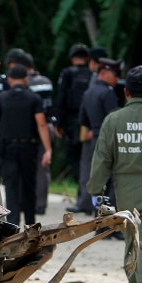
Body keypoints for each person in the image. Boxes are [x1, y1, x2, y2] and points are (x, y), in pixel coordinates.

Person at [86, 65, 142, 283]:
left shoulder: (114, 120)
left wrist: (95, 191)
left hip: (129, 189)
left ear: (126, 92)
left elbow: (102, 161)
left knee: (135, 242)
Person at [0, 64, 52, 226]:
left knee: (11, 187)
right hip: (28, 148)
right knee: (29, 186)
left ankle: (13, 224)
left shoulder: (1, 98)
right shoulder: (33, 98)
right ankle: (30, 224)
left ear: (9, 80)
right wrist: (48, 149)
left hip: (8, 148)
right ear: (25, 79)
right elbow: (42, 125)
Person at [70, 58, 122, 216]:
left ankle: (99, 218)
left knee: (99, 181)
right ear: (104, 73)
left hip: (94, 140)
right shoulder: (107, 93)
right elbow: (115, 119)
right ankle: (110, 222)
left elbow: (82, 120)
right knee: (113, 182)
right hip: (109, 141)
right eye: (115, 74)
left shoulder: (88, 92)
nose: (117, 79)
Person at [12, 52, 55, 215]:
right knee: (43, 166)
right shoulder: (46, 81)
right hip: (48, 126)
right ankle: (41, 204)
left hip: (32, 128)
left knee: (28, 165)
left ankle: (26, 201)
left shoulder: (26, 83)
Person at [56, 44, 91, 192]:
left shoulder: (67, 73)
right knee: (88, 156)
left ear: (72, 58)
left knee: (75, 157)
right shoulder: (92, 74)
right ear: (87, 59)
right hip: (89, 122)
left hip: (72, 121)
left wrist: (59, 123)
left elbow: (61, 97)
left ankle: (81, 191)